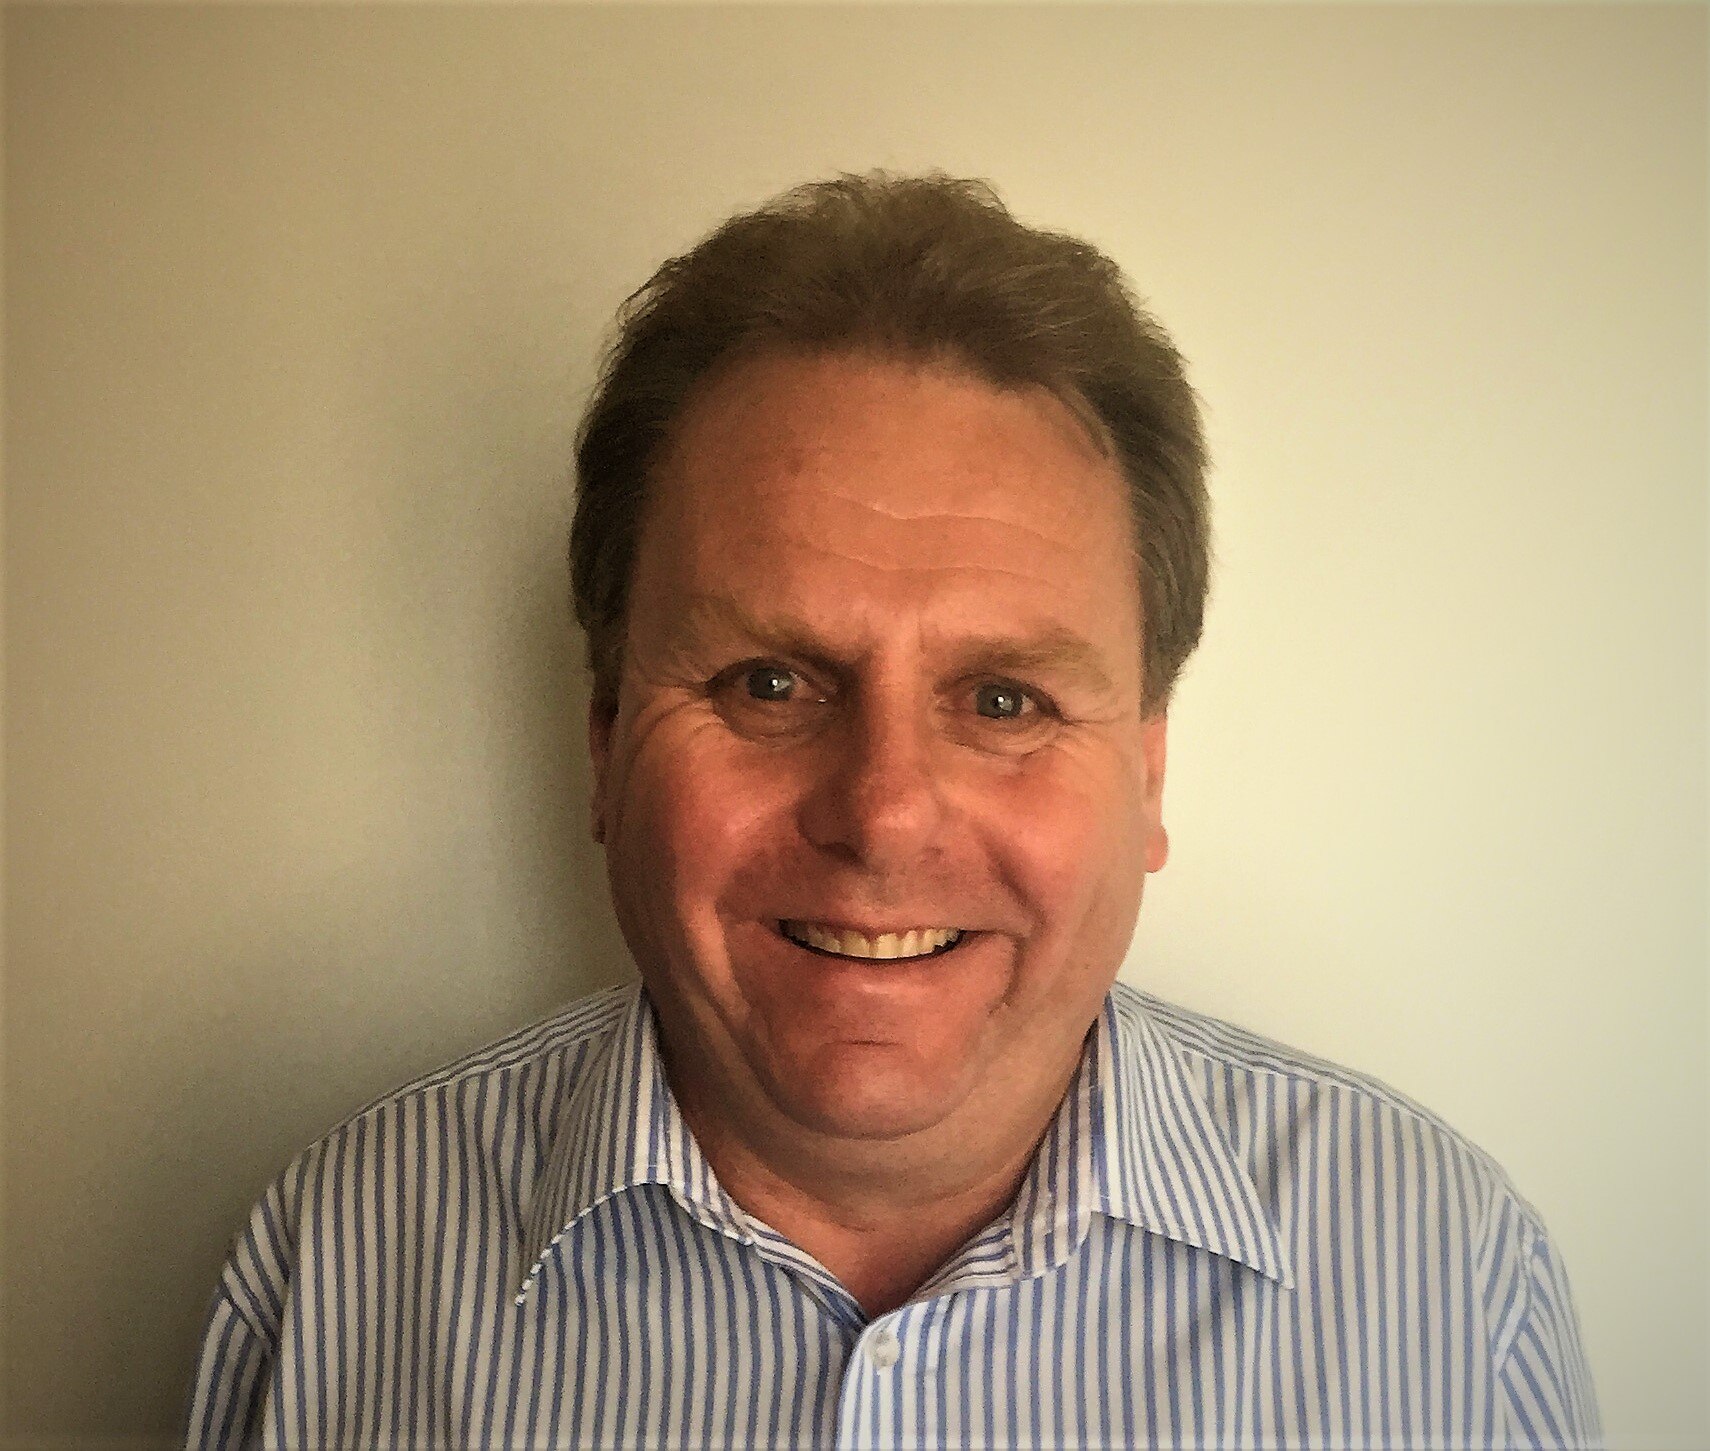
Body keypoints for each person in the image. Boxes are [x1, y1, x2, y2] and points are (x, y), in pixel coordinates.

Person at [185, 172, 1601, 1449]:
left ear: (1148, 778)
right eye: (768, 682)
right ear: (606, 746)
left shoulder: (1441, 1276)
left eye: (1003, 702)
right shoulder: (338, 1270)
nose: (883, 817)